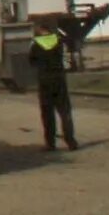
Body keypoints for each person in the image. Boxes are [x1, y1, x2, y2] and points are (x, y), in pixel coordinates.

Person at [31, 17, 80, 151]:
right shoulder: (59, 42)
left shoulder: (36, 45)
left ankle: (50, 143)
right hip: (59, 79)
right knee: (65, 112)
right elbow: (65, 57)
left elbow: (32, 61)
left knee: (47, 114)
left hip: (44, 81)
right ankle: (71, 141)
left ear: (40, 30)